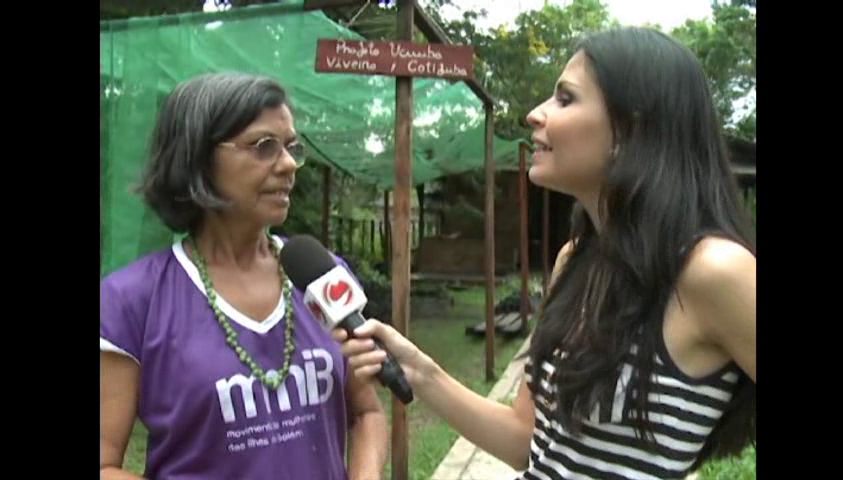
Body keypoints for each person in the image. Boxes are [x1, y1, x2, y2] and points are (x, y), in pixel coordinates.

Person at [335, 26, 755, 480]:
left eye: (565, 99)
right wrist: (421, 372)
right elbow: (525, 440)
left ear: (630, 130)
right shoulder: (574, 261)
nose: (535, 114)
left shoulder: (713, 271)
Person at [100, 72, 388, 480]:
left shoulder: (323, 277)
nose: (288, 164)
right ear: (197, 158)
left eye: (290, 147)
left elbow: (366, 412)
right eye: (263, 146)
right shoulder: (132, 300)